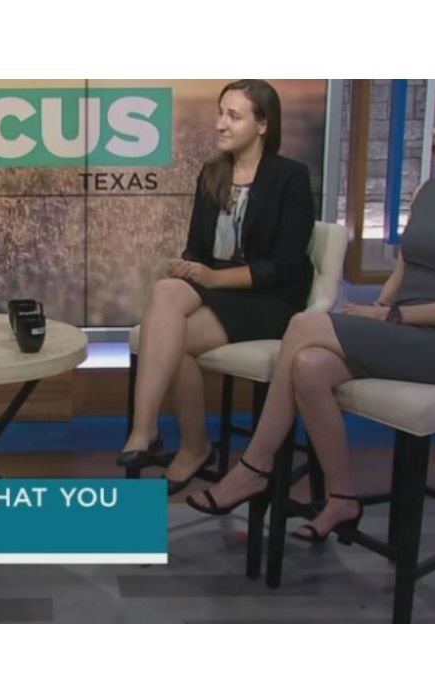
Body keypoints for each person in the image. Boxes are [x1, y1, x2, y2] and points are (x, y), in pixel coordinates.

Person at [186, 83, 435, 544]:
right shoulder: (430, 191)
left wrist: (389, 319)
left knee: (304, 324)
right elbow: (407, 267)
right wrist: (383, 305)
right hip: (402, 329)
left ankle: (255, 467)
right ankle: (342, 498)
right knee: (309, 367)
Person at [118, 79, 315, 495]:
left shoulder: (290, 177)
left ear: (263, 125)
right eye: (220, 113)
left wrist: (212, 278)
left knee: (170, 334)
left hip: (270, 299)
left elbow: (283, 265)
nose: (221, 124)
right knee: (167, 294)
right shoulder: (212, 174)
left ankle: (175, 442)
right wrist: (187, 267)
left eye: (234, 116)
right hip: (221, 289)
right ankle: (155, 433)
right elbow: (197, 248)